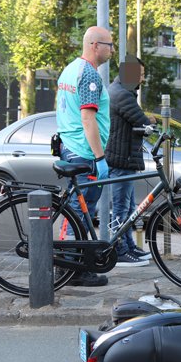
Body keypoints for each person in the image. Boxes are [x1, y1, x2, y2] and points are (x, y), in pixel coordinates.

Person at [55, 26, 114, 286]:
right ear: (94, 45)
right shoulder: (90, 74)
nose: (112, 50)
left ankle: (71, 265)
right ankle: (72, 270)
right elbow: (88, 118)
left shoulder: (70, 69)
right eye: (109, 45)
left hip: (71, 145)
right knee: (81, 211)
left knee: (77, 211)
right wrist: (100, 158)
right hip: (84, 151)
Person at [104, 56, 156, 267]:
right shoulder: (121, 94)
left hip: (125, 157)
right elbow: (141, 121)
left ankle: (128, 244)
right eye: (140, 75)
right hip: (121, 158)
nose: (142, 80)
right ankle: (119, 250)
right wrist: (151, 120)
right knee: (121, 206)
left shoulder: (122, 91)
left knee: (127, 206)